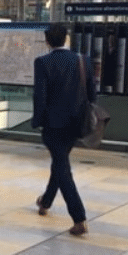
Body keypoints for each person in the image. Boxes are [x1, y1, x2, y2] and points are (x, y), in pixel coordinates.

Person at [32, 23, 94, 236]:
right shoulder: (82, 61)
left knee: (62, 168)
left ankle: (79, 218)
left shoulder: (42, 62)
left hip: (53, 124)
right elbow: (92, 94)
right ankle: (46, 201)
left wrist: (37, 120)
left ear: (47, 41)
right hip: (76, 123)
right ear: (66, 39)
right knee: (60, 163)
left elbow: (40, 96)